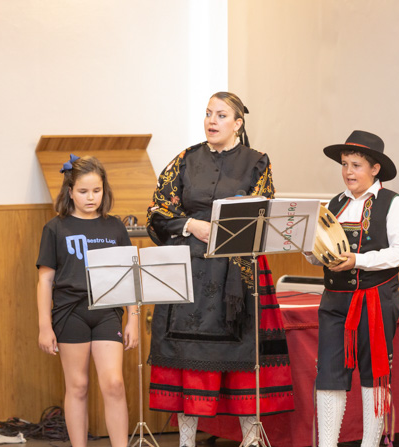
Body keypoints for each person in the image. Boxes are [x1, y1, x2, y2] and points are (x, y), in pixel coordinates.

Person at [146, 92, 294, 447]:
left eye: (221, 115)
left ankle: (251, 439)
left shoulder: (257, 162)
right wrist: (190, 225)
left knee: (244, 358)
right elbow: (157, 212)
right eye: (208, 113)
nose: (212, 121)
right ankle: (186, 442)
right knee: (186, 360)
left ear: (238, 123)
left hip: (237, 275)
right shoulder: (185, 159)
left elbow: (264, 211)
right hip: (188, 270)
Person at [305, 130, 399, 447]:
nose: (348, 172)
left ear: (375, 169)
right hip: (334, 300)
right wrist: (310, 251)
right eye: (344, 164)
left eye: (356, 165)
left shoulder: (392, 203)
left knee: (373, 375)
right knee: (329, 374)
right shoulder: (334, 204)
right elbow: (320, 254)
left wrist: (358, 260)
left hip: (375, 299)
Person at [36, 155, 139, 447]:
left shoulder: (115, 227)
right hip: (70, 314)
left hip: (107, 311)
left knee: (114, 384)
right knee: (78, 386)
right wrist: (44, 326)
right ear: (70, 192)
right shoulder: (55, 228)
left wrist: (133, 318)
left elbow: (129, 274)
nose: (91, 197)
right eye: (83, 191)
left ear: (104, 190)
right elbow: (45, 281)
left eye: (96, 190)